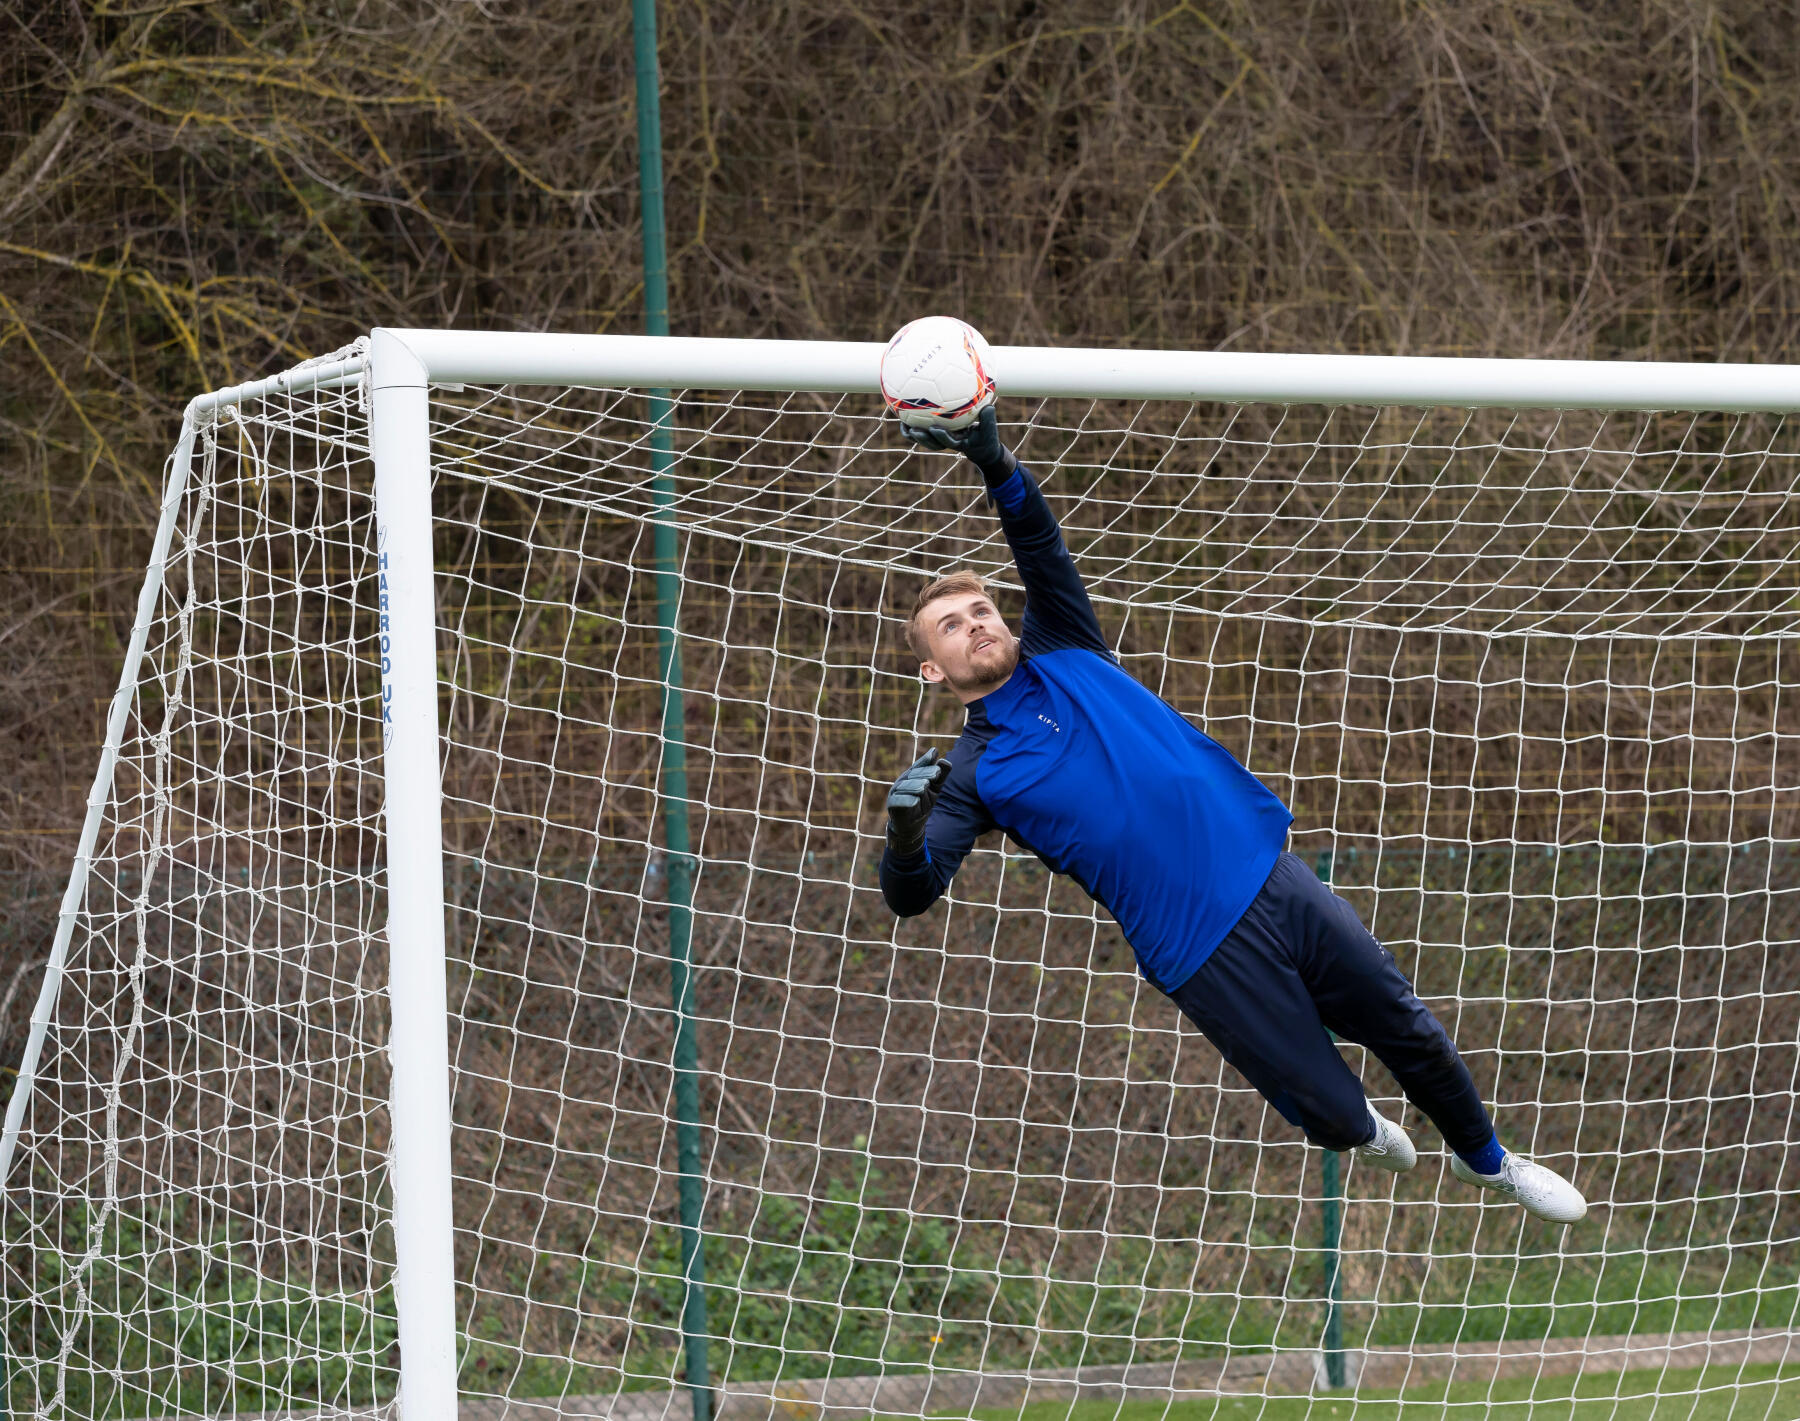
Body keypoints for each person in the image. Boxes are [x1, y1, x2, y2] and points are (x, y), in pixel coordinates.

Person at [878, 406, 1586, 1224]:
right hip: (1198, 950)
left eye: (982, 612)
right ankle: (1361, 1130)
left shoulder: (1063, 644)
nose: (977, 627)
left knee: (1411, 1028)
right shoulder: (969, 772)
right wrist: (902, 830)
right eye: (952, 628)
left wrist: (993, 458)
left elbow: (1037, 540)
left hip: (1269, 875)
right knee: (1335, 1113)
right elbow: (912, 890)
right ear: (933, 670)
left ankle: (1492, 1164)